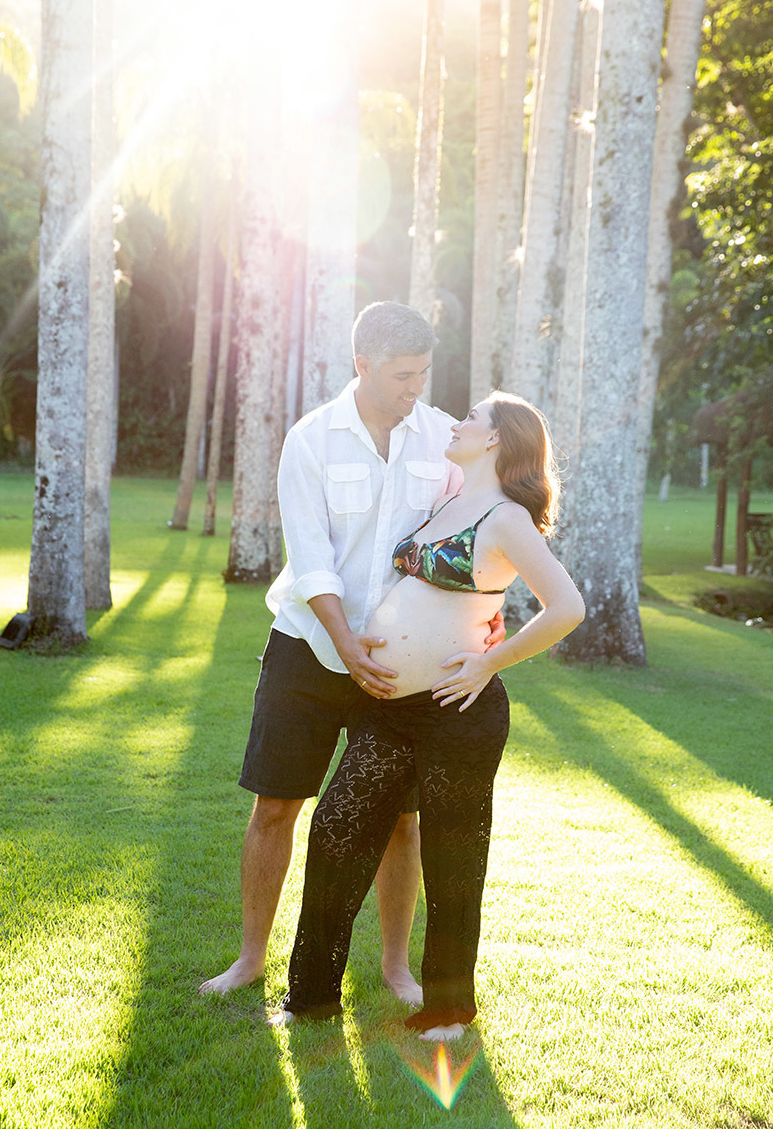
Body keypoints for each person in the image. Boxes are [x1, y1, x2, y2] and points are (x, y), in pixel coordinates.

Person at [199, 302, 504, 1001]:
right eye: (402, 375)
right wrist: (345, 643)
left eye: (424, 373)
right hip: (308, 648)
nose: (416, 389)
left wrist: (489, 615)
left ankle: (395, 967)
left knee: (402, 821)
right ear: (362, 366)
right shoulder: (310, 441)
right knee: (275, 806)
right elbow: (310, 562)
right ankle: (249, 960)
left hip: (401, 666)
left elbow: (472, 537)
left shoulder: (442, 441)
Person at [270, 392, 585, 1039]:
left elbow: (566, 606)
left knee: (453, 855)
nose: (458, 422)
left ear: (497, 439)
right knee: (335, 830)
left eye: (472, 418)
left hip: (457, 713)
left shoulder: (504, 519)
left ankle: (448, 1008)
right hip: (392, 708)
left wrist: (489, 663)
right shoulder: (449, 500)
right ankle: (311, 997)